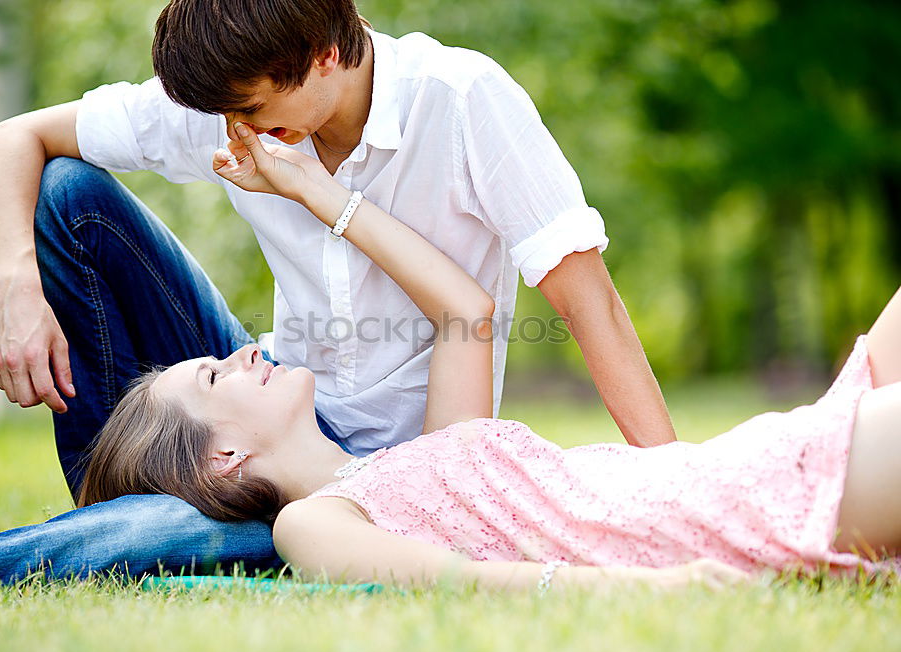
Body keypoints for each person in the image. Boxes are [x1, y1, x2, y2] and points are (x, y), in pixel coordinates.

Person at [0, 0, 673, 581]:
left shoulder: (465, 100)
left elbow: (587, 303)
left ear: (326, 54)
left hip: (378, 469)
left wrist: (673, 490)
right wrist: (13, 291)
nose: (232, 129)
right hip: (268, 397)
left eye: (251, 110)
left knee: (195, 533)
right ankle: (113, 507)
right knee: (70, 193)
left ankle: (116, 529)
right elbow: (14, 139)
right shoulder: (230, 102)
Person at [75, 123, 900, 592]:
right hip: (715, 517)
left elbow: (465, 307)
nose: (244, 350)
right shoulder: (310, 523)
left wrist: (312, 190)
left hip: (732, 470)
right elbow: (474, 584)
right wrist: (658, 589)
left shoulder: (410, 456)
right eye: (215, 375)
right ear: (224, 458)